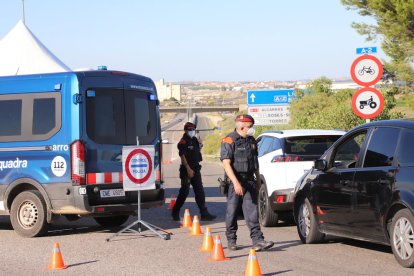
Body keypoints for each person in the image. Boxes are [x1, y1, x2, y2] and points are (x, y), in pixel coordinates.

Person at [220, 114, 274, 252]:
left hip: (250, 180)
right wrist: (236, 183)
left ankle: (258, 240)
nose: (252, 129)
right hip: (235, 182)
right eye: (250, 127)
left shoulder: (251, 141)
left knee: (252, 212)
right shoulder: (229, 140)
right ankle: (231, 239)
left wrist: (257, 179)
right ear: (242, 127)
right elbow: (226, 164)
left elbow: (255, 162)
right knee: (232, 212)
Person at [171, 122, 216, 221]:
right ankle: (175, 212)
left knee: (200, 192)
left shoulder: (194, 139)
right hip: (187, 170)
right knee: (184, 192)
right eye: (190, 129)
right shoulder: (183, 142)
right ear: (186, 130)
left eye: (193, 129)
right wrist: (188, 169)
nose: (192, 131)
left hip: (196, 169)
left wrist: (200, 144)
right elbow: (182, 156)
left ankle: (204, 213)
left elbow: (196, 151)